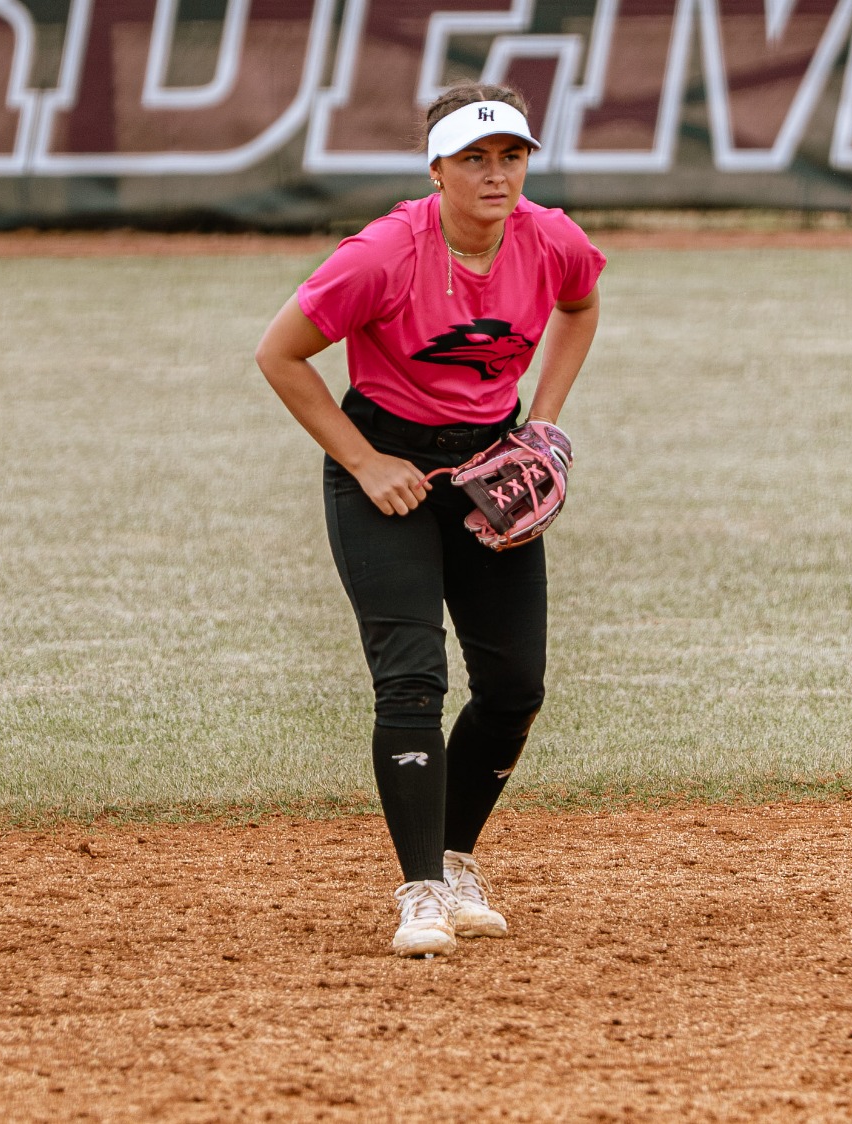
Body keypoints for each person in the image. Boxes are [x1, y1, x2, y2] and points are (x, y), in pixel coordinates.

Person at [254, 82, 605, 957]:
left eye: (512, 155)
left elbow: (581, 301)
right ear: (437, 167)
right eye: (475, 159)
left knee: (515, 684)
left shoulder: (549, 236)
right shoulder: (384, 253)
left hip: (488, 469)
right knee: (411, 677)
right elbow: (280, 352)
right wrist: (365, 463)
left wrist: (542, 423)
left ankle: (453, 861)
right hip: (387, 469)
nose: (497, 175)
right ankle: (419, 893)